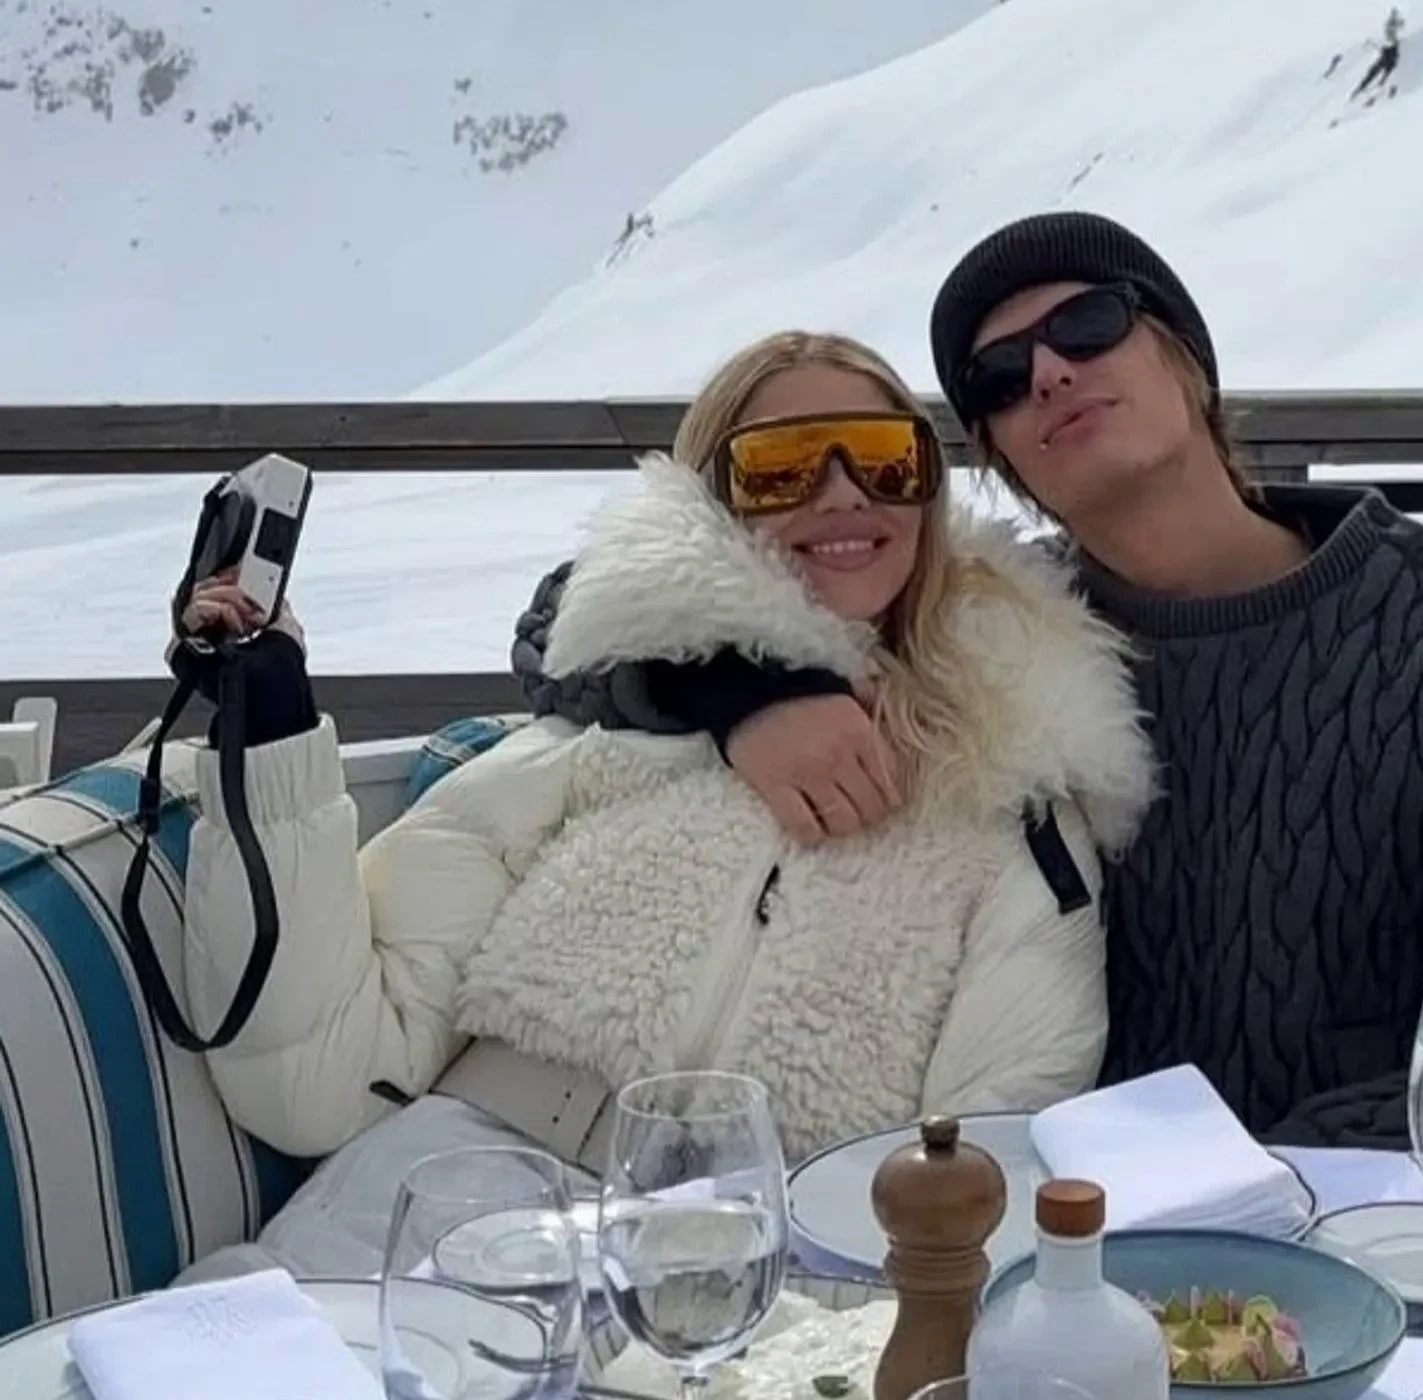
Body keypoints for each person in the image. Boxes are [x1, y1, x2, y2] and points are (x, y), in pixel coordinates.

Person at [511, 213, 1423, 1181]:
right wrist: (745, 684)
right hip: (1028, 1246)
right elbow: (564, 622)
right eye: (998, 375)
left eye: (1089, 323)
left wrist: (1255, 1170)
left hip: (1369, 1261)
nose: (1048, 370)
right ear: (998, 457)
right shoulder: (988, 638)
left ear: (1189, 363)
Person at [166, 328, 1155, 1279]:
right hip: (428, 1217)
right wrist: (271, 723)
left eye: (885, 458)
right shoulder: (598, 739)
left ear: (929, 491)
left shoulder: (1010, 808)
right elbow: (316, 1075)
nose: (843, 492)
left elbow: (975, 1178)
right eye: (782, 467)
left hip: (750, 1282)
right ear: (709, 501)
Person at [1351, 7, 1404, 99]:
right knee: (1384, 70)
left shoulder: (1391, 24)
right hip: (1389, 50)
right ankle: (1366, 89)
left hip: (1388, 50)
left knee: (1380, 71)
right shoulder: (1390, 24)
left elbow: (1397, 27)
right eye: (1394, 15)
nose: (1395, 17)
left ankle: (1367, 88)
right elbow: (1395, 28)